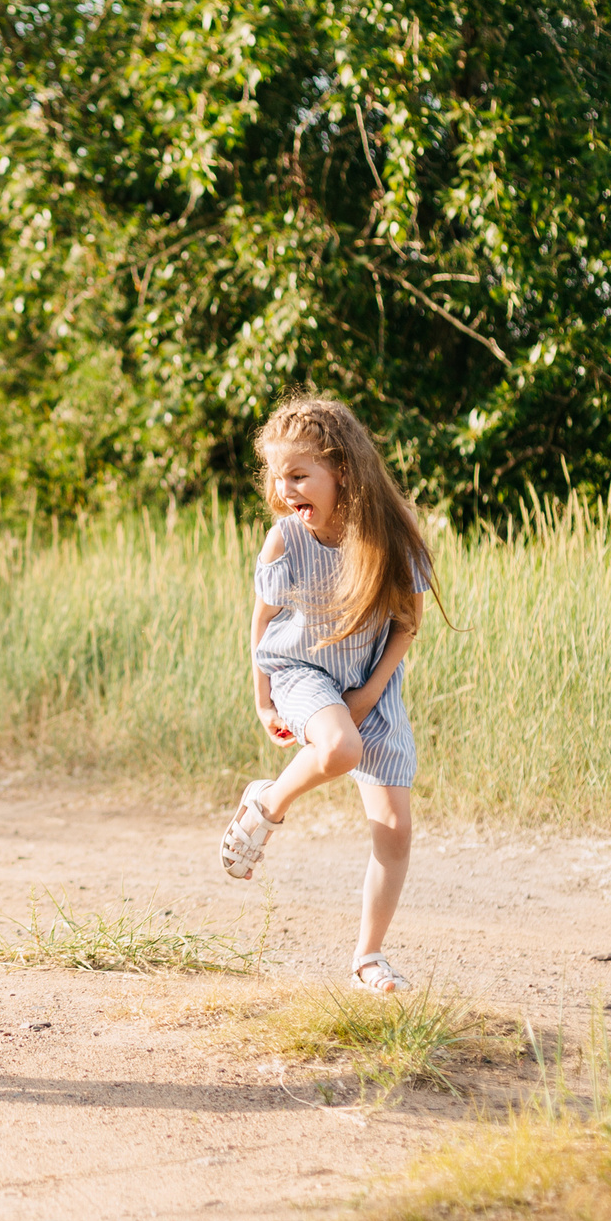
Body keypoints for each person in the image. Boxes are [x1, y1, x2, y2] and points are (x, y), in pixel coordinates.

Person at [219, 396, 436, 994]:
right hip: (300, 672)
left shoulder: (392, 537)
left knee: (394, 830)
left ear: (341, 469)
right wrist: (263, 700)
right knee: (338, 748)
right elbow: (262, 624)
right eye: (277, 476)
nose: (285, 489)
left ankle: (368, 958)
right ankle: (267, 805)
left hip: (372, 681)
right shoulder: (285, 541)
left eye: (298, 475)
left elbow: (407, 624)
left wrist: (369, 693)